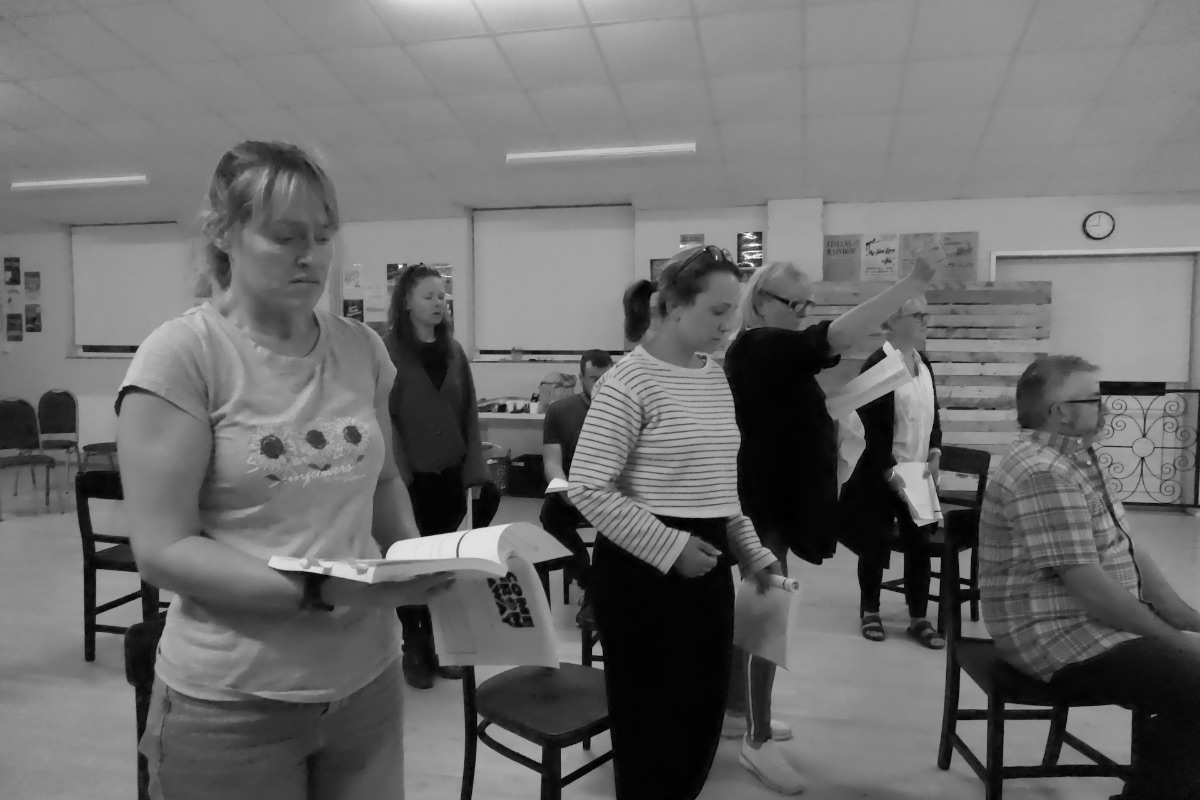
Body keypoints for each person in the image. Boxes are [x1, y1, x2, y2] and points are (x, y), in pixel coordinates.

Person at [117, 140, 454, 800]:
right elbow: (162, 549)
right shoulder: (184, 356)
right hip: (233, 702)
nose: (312, 255)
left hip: (366, 682)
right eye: (285, 236)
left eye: (323, 237)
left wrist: (416, 560)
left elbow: (385, 480)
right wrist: (324, 590)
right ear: (225, 234)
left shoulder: (361, 349)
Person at [722, 250, 941, 794]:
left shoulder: (769, 351)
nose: (802, 314)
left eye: (807, 305)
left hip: (776, 497)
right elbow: (833, 337)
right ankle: (757, 738)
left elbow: (790, 413)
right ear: (760, 302)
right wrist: (906, 285)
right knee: (768, 609)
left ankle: (739, 712)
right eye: (794, 304)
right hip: (766, 501)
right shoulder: (759, 344)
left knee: (758, 608)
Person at [568, 245, 781, 800]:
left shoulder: (713, 377)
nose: (728, 325)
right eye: (717, 311)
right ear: (672, 306)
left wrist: (751, 550)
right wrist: (669, 548)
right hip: (643, 575)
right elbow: (587, 486)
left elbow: (719, 485)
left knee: (700, 716)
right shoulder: (628, 383)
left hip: (704, 565)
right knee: (652, 729)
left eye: (733, 311)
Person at [980, 355, 1200, 800]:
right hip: (1054, 636)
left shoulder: (1077, 457)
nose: (1106, 407)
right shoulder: (1043, 471)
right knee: (1194, 684)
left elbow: (1127, 550)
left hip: (1085, 622)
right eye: (1095, 399)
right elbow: (1089, 589)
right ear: (1061, 412)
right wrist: (1175, 642)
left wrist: (1186, 620)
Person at [383, 263, 497, 689]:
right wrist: (398, 475)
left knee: (440, 565)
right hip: (407, 480)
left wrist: (475, 471)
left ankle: (435, 641)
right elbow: (383, 417)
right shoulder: (387, 351)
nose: (438, 303)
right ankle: (412, 645)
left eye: (442, 296)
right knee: (408, 566)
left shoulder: (454, 352)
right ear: (406, 301)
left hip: (448, 474)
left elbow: (469, 412)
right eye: (428, 296)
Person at [839, 296, 945, 649]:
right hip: (881, 474)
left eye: (926, 313)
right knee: (875, 544)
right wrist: (890, 474)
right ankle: (870, 611)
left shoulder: (924, 363)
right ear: (893, 321)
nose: (925, 319)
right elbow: (869, 431)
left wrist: (935, 453)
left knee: (920, 547)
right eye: (917, 314)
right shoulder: (877, 365)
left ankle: (918, 618)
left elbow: (933, 415)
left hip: (918, 472)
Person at [540, 348, 614, 627]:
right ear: (581, 378)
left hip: (611, 495)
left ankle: (597, 589)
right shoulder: (560, 411)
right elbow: (552, 462)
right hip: (572, 491)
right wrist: (566, 490)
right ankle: (591, 583)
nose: (601, 385)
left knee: (622, 523)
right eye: (594, 379)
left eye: (607, 378)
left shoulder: (623, 410)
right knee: (551, 516)